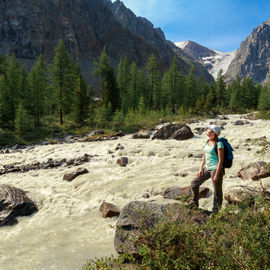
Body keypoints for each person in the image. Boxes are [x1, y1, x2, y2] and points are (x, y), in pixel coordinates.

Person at [189, 124, 224, 213]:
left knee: (217, 191)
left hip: (216, 169)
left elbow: (221, 160)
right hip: (207, 168)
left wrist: (217, 174)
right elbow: (205, 156)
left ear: (213, 133)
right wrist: (201, 169)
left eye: (209, 129)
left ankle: (215, 211)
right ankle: (194, 203)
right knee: (194, 183)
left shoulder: (219, 144)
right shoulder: (207, 141)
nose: (207, 129)